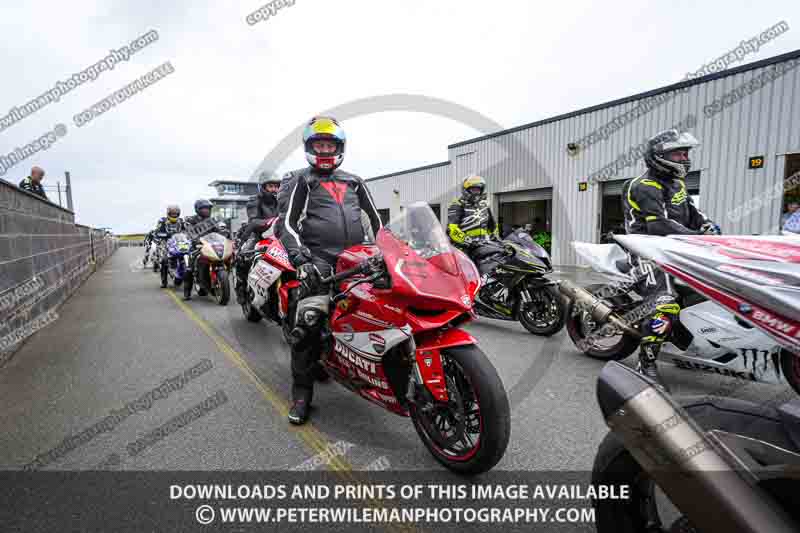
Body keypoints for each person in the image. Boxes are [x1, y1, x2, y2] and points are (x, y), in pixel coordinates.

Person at [280, 116, 383, 425]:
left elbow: (376, 220)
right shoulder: (303, 181)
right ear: (309, 148)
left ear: (339, 148)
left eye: (330, 145)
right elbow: (287, 223)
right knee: (307, 323)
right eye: (319, 145)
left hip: (358, 257)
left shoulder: (355, 181)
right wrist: (301, 258)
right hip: (319, 260)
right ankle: (302, 394)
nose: (325, 151)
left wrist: (389, 248)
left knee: (384, 307)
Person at [621, 129, 719, 388]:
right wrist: (697, 236)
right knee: (665, 303)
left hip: (676, 250)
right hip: (647, 251)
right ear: (659, 157)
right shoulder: (644, 185)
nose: (684, 158)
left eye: (686, 153)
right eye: (678, 154)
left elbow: (694, 213)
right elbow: (659, 226)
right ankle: (646, 363)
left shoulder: (678, 184)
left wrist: (709, 227)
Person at [446, 175, 502, 283]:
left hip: (483, 246)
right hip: (464, 247)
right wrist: (469, 241)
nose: (476, 192)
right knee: (467, 277)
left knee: (493, 271)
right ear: (466, 190)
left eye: (478, 189)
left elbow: (492, 226)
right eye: (473, 189)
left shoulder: (484, 204)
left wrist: (496, 239)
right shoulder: (457, 204)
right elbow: (452, 230)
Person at [235, 173, 281, 303]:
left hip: (280, 238)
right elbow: (254, 220)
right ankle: (241, 288)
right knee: (243, 257)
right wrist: (272, 221)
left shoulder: (282, 200)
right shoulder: (254, 200)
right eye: (271, 186)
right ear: (262, 187)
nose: (274, 189)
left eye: (276, 186)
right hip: (260, 237)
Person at [183, 199, 219, 300]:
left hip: (211, 245)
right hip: (196, 246)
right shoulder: (191, 220)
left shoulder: (212, 221)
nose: (207, 210)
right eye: (204, 208)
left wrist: (225, 235)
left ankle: (216, 279)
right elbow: (189, 231)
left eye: (208, 208)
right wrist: (195, 240)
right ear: (198, 210)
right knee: (189, 268)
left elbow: (219, 231)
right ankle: (187, 291)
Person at [152, 205, 187, 287]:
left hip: (179, 242)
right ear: (168, 213)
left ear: (178, 214)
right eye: (172, 213)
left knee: (186, 255)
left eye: (176, 213)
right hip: (166, 242)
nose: (174, 215)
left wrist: (187, 235)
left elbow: (186, 231)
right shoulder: (162, 221)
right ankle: (164, 281)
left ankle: (185, 275)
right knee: (164, 260)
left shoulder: (181, 221)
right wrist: (165, 235)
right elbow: (157, 232)